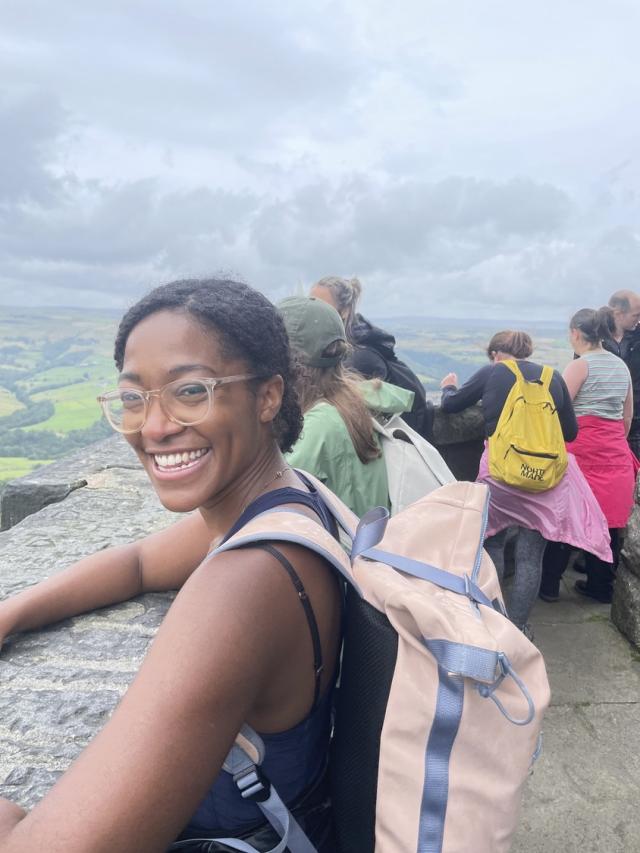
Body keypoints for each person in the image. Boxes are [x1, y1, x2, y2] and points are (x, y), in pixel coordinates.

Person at [0, 279, 342, 852]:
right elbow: (137, 563)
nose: (153, 427)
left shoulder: (245, 584)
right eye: (134, 398)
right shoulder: (288, 502)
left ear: (268, 396)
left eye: (190, 391)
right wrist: (13, 612)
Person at [440, 330, 611, 633]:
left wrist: (448, 387)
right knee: (531, 558)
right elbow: (569, 433)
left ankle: (490, 621)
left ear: (495, 353)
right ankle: (518, 627)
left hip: (500, 477)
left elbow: (451, 405)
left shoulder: (493, 371)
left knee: (492, 544)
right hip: (544, 481)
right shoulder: (552, 377)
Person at [279, 296, 414, 518]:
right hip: (369, 544)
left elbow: (276, 507)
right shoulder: (354, 401)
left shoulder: (316, 429)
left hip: (338, 550)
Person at [547, 307, 638, 604]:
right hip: (615, 453)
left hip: (581, 452)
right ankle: (601, 588)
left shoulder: (579, 366)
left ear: (575, 333)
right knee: (609, 524)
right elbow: (627, 418)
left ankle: (548, 587)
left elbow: (558, 410)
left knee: (566, 518)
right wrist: (613, 444)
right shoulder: (620, 366)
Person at [309, 275, 433, 438]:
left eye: (321, 307)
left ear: (344, 311)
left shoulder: (357, 358)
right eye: (309, 304)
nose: (311, 313)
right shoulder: (349, 346)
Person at [602, 290, 640, 457]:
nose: (638, 320)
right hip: (605, 421)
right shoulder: (595, 339)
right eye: (635, 315)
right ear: (618, 314)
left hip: (637, 422)